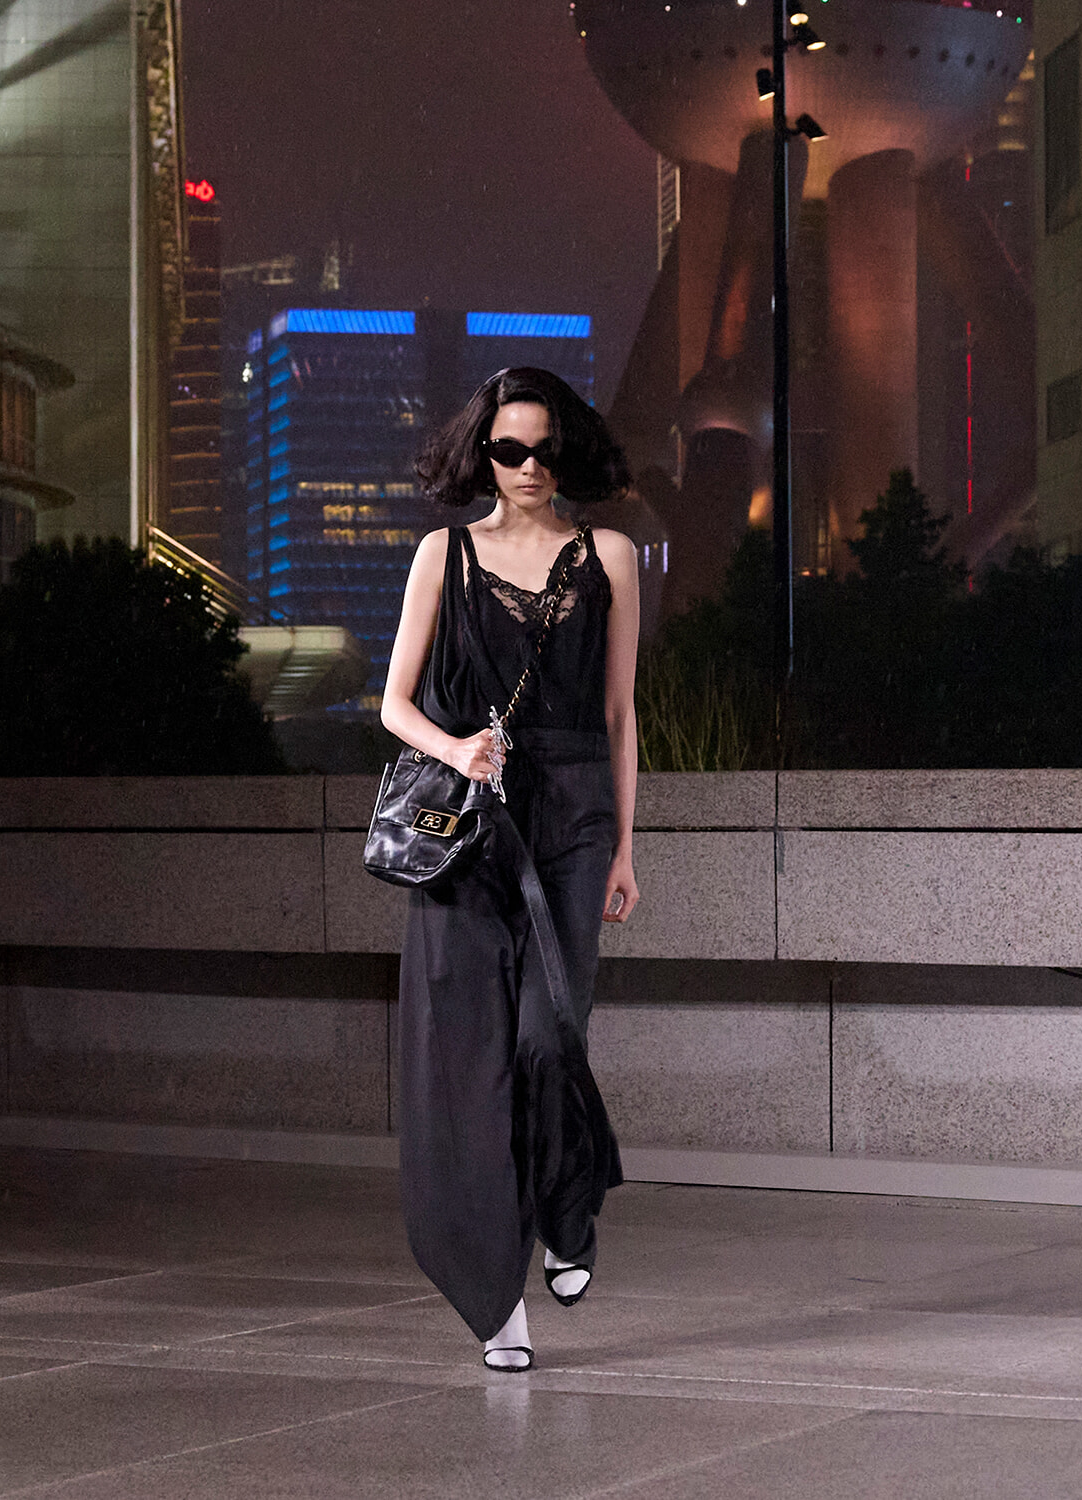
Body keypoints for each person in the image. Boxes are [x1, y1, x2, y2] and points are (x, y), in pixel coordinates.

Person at [380, 366, 640, 1372]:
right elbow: (395, 705)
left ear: (566, 449)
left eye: (543, 448)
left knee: (548, 1037)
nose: (529, 467)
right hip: (474, 827)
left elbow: (621, 715)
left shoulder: (607, 551)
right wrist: (458, 754)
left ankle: (568, 1220)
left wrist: (624, 845)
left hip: (574, 818)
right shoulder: (443, 554)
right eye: (508, 450)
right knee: (471, 1067)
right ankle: (500, 1308)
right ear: (481, 455)